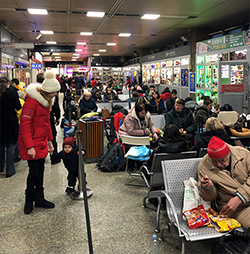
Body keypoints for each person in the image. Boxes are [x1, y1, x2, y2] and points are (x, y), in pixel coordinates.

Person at [19, 70, 60, 215]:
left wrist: (50, 141)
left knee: (41, 170)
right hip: (31, 142)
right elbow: (24, 126)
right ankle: (29, 200)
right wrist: (29, 146)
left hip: (41, 141)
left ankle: (39, 198)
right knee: (34, 172)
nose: (56, 94)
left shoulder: (47, 102)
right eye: (54, 92)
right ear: (48, 91)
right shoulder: (31, 103)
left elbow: (46, 123)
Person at [198, 136, 250, 229]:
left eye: (222, 160)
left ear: (228, 154)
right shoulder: (204, 166)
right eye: (215, 162)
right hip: (235, 209)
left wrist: (240, 198)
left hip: (241, 199)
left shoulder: (243, 154)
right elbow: (210, 197)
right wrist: (207, 188)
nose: (219, 164)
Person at [0, 77, 21, 177]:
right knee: (10, 144)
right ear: (8, 83)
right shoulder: (12, 93)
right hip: (10, 120)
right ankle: (10, 169)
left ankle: (0, 167)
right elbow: (18, 106)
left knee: (0, 145)